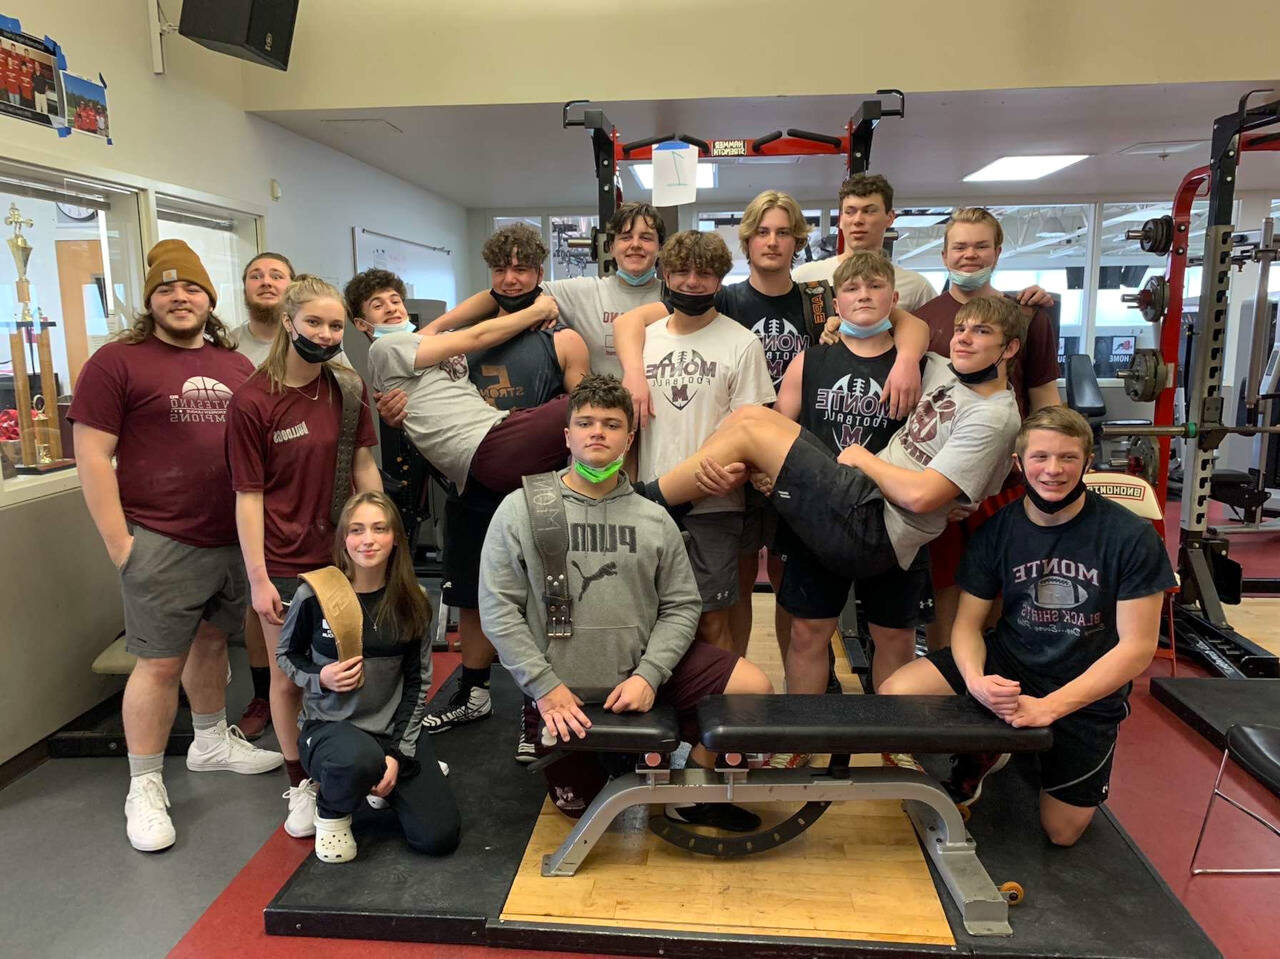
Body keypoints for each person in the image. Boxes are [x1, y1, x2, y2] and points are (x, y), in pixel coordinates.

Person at [613, 190, 931, 661]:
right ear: (746, 241)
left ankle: (800, 680)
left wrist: (907, 357)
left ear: (797, 241)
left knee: (792, 585)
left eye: (783, 232)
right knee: (735, 583)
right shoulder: (721, 297)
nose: (772, 242)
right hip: (730, 459)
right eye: (762, 232)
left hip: (804, 454)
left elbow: (897, 317)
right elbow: (632, 323)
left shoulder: (818, 298)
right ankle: (734, 675)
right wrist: (634, 373)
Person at [479, 374, 774, 828]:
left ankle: (691, 791)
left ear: (629, 439)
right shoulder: (521, 508)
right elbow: (498, 610)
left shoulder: (654, 519)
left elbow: (681, 607)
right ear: (568, 435)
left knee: (752, 689)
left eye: (612, 424)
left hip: (640, 676)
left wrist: (650, 675)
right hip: (564, 689)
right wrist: (544, 688)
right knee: (580, 811)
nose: (598, 431)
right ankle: (604, 752)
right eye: (586, 422)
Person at [69, 239, 283, 853]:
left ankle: (211, 741)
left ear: (209, 299)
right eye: (166, 289)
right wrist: (120, 544)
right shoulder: (117, 362)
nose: (179, 297)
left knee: (214, 641)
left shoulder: (235, 364)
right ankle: (144, 783)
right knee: (158, 662)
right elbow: (91, 455)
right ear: (150, 300)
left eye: (190, 288)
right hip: (160, 539)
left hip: (232, 540)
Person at [881, 407, 1175, 846]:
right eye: (1040, 458)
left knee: (1061, 833)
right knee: (896, 693)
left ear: (1088, 463)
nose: (1053, 470)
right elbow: (966, 626)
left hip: (1084, 685)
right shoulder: (999, 530)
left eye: (1067, 458)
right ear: (1019, 465)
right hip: (1012, 660)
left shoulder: (1130, 537)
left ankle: (1023, 745)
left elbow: (1136, 649)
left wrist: (1050, 708)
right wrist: (978, 683)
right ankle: (983, 748)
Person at [635, 295, 1027, 613]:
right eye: (960, 329)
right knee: (750, 416)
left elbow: (922, 496)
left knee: (752, 429)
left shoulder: (993, 416)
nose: (963, 339)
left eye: (981, 332)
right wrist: (899, 353)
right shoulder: (951, 375)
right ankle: (675, 501)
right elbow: (912, 323)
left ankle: (649, 502)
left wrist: (864, 457)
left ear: (1010, 348)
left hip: (877, 523)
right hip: (866, 495)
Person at [408, 225, 589, 757]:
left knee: (547, 592)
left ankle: (542, 707)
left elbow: (583, 415)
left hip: (536, 485)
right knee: (471, 591)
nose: (511, 278)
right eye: (501, 269)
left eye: (523, 269)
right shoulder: (464, 337)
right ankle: (475, 691)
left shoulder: (562, 337)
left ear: (539, 273)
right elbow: (422, 351)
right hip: (470, 481)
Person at [227, 275, 383, 837]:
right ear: (289, 323)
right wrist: (258, 579)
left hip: (342, 556)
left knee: (354, 665)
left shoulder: (345, 385)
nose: (324, 333)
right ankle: (301, 783)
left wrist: (381, 533)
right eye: (313, 322)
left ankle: (359, 768)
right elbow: (248, 496)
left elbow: (364, 465)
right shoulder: (253, 400)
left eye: (335, 324)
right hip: (283, 560)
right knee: (291, 678)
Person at [772, 251, 933, 699]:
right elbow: (779, 432)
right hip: (819, 518)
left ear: (894, 298)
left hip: (892, 519)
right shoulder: (809, 361)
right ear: (836, 304)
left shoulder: (922, 366)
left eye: (875, 286)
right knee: (808, 632)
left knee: (895, 637)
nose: (864, 295)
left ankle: (891, 744)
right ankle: (800, 740)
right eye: (851, 288)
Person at [278, 491, 461, 862]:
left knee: (437, 837)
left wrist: (397, 754)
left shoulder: (415, 601)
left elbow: (418, 684)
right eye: (357, 530)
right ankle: (331, 809)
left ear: (395, 538)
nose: (368, 539)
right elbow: (286, 656)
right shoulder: (313, 595)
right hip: (330, 729)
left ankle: (378, 777)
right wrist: (321, 677)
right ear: (344, 539)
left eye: (380, 529)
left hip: (391, 730)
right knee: (355, 759)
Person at [916, 208, 1064, 652]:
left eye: (981, 245)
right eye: (960, 246)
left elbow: (1044, 399)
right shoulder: (922, 320)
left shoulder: (1028, 315)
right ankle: (947, 693)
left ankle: (993, 687)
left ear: (998, 251)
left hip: (1005, 484)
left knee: (1001, 593)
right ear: (944, 254)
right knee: (945, 596)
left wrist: (1050, 469)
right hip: (942, 481)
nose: (970, 255)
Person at [634, 230, 776, 653]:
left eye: (704, 273)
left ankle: (719, 715)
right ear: (664, 274)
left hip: (715, 505)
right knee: (651, 619)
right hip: (647, 502)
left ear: (719, 280)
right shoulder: (645, 339)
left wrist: (739, 474)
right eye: (681, 271)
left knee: (713, 623)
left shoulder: (742, 343)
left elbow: (753, 431)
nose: (692, 282)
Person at [366, 288, 579, 498]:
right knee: (587, 405)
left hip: (496, 439)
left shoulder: (431, 343)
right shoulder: (385, 346)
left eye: (396, 301)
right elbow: (477, 336)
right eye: (377, 305)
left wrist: (536, 294)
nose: (390, 309)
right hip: (485, 447)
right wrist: (539, 309)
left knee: (585, 421)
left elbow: (493, 295)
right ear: (360, 323)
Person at [425, 202, 666, 376]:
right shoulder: (583, 292)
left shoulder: (675, 299)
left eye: (645, 237)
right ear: (611, 248)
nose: (635, 245)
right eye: (625, 237)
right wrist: (435, 327)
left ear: (660, 247)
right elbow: (496, 295)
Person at [790, 173, 938, 311]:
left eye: (869, 211)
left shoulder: (916, 288)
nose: (858, 220)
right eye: (850, 212)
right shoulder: (803, 277)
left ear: (890, 217)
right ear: (841, 220)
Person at [229, 253, 297, 368]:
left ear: (293, 287)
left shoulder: (313, 344)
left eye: (276, 277)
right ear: (244, 289)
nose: (266, 282)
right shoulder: (226, 346)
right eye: (255, 277)